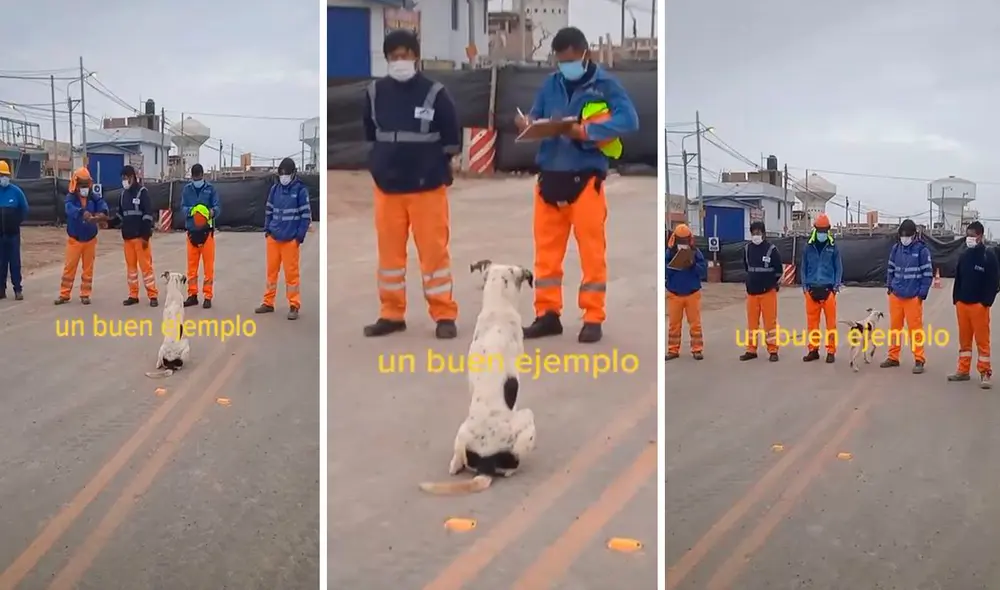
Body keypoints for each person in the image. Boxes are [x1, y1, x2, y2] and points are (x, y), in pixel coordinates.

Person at [515, 26, 639, 344]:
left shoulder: (606, 86)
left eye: (570, 59)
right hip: (549, 179)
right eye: (560, 60)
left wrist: (587, 132)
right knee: (546, 255)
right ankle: (547, 314)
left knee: (591, 253)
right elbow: (537, 114)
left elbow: (629, 120)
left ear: (585, 54)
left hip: (585, 180)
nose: (565, 66)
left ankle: (592, 318)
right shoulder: (551, 85)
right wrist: (528, 123)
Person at [360, 29, 461, 340]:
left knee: (434, 254)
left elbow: (452, 137)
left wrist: (432, 163)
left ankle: (444, 314)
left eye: (405, 55)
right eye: (394, 56)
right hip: (388, 188)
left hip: (427, 187)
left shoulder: (435, 92)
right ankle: (391, 314)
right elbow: (369, 135)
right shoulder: (374, 93)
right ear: (386, 58)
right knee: (389, 256)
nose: (399, 61)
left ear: (416, 57)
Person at [256, 157, 311, 320]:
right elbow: (268, 210)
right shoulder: (275, 189)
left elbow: (306, 216)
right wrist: (267, 230)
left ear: (293, 173)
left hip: (290, 240)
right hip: (273, 238)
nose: (283, 177)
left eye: (286, 174)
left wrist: (298, 238)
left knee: (291, 275)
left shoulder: (300, 191)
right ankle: (268, 302)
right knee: (271, 273)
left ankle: (294, 304)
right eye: (281, 174)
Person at [949, 221, 999, 389]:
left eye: (972, 235)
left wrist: (986, 302)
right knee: (964, 341)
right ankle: (963, 370)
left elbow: (994, 282)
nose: (969, 238)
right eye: (967, 235)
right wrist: (956, 299)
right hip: (962, 305)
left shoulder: (988, 256)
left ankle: (985, 372)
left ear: (980, 236)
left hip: (979, 306)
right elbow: (959, 278)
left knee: (982, 341)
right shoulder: (964, 255)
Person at [881, 219, 932, 373]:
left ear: (913, 235)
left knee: (915, 329)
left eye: (907, 235)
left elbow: (927, 274)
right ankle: (893, 357)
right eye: (902, 235)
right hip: (896, 295)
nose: (904, 238)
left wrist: (921, 294)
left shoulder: (922, 251)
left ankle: (919, 359)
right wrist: (890, 286)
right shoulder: (896, 249)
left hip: (912, 297)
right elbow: (890, 269)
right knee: (895, 329)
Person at [56, 167, 108, 305]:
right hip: (75, 239)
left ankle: (85, 294)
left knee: (88, 269)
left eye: (86, 184)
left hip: (90, 239)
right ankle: (64, 294)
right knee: (69, 268)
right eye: (82, 185)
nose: (85, 188)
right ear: (76, 184)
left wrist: (102, 214)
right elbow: (69, 208)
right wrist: (81, 212)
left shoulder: (93, 196)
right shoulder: (71, 197)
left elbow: (102, 204)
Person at [108, 165, 158, 306]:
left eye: (125, 178)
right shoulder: (123, 195)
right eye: (122, 178)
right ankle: (133, 295)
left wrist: (145, 237)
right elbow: (120, 215)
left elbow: (148, 215)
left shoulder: (143, 193)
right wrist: (109, 223)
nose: (124, 181)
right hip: (128, 238)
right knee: (131, 270)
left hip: (140, 238)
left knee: (146, 268)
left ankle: (152, 295)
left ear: (132, 177)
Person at [799, 213, 842, 363]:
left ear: (828, 229)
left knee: (831, 324)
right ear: (815, 229)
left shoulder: (833, 247)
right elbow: (803, 267)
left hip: (828, 290)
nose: (822, 233)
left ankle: (831, 351)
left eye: (825, 230)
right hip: (811, 291)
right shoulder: (808, 247)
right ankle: (813, 350)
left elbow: (838, 268)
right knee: (812, 324)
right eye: (820, 230)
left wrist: (835, 287)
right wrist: (805, 287)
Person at [741, 221, 783, 361]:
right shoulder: (747, 249)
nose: (756, 236)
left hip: (768, 293)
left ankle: (773, 350)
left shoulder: (772, 249)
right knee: (752, 324)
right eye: (753, 233)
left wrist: (770, 283)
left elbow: (779, 271)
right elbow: (747, 268)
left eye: (758, 233)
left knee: (770, 324)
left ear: (763, 234)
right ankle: (751, 350)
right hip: (752, 293)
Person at [181, 163, 221, 308]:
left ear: (202, 176)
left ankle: (208, 295)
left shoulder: (210, 189)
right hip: (192, 233)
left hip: (207, 233)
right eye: (194, 177)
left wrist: (211, 212)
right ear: (192, 176)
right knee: (192, 267)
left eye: (198, 177)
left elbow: (217, 207)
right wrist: (193, 211)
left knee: (208, 267)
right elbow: (183, 208)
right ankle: (192, 295)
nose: (196, 179)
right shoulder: (187, 190)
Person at [665, 224, 707, 360]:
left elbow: (703, 271)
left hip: (692, 294)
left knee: (695, 324)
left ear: (689, 240)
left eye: (685, 241)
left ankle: (697, 349)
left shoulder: (696, 253)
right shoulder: (669, 253)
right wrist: (674, 266)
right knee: (673, 325)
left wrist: (693, 265)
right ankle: (673, 350)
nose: (682, 244)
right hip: (674, 294)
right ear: (675, 240)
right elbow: (664, 272)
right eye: (680, 241)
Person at [0, 161, 28, 300]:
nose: (3, 178)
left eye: (5, 175)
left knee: (15, 262)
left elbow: (24, 209)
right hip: (0, 235)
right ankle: (1, 290)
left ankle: (18, 289)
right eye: (1, 175)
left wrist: (16, 222)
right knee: (1, 263)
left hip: (13, 235)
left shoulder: (16, 192)